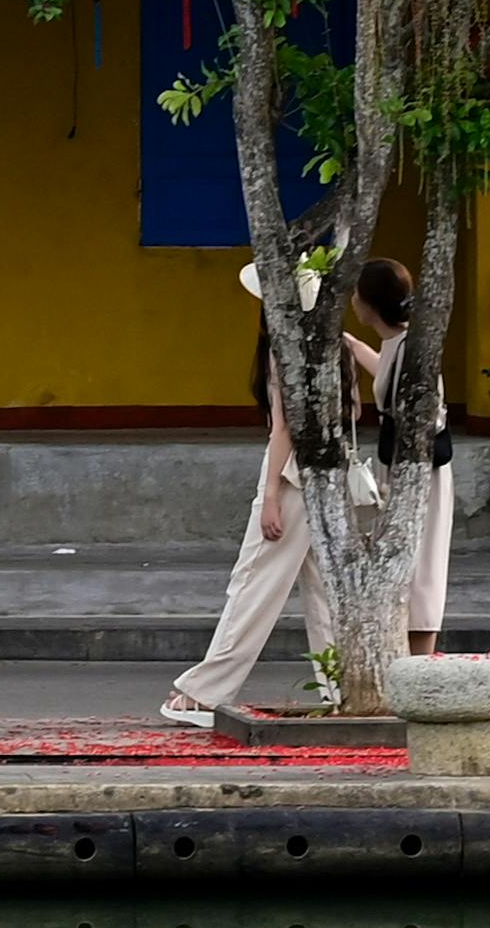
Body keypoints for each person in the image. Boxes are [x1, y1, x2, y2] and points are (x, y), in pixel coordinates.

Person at [162, 252, 443, 729]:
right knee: (326, 594)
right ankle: (343, 687)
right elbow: (352, 412)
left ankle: (203, 692)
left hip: (292, 477)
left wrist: (270, 494)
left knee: (253, 584)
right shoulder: (333, 345)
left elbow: (282, 432)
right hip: (331, 481)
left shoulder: (287, 348)